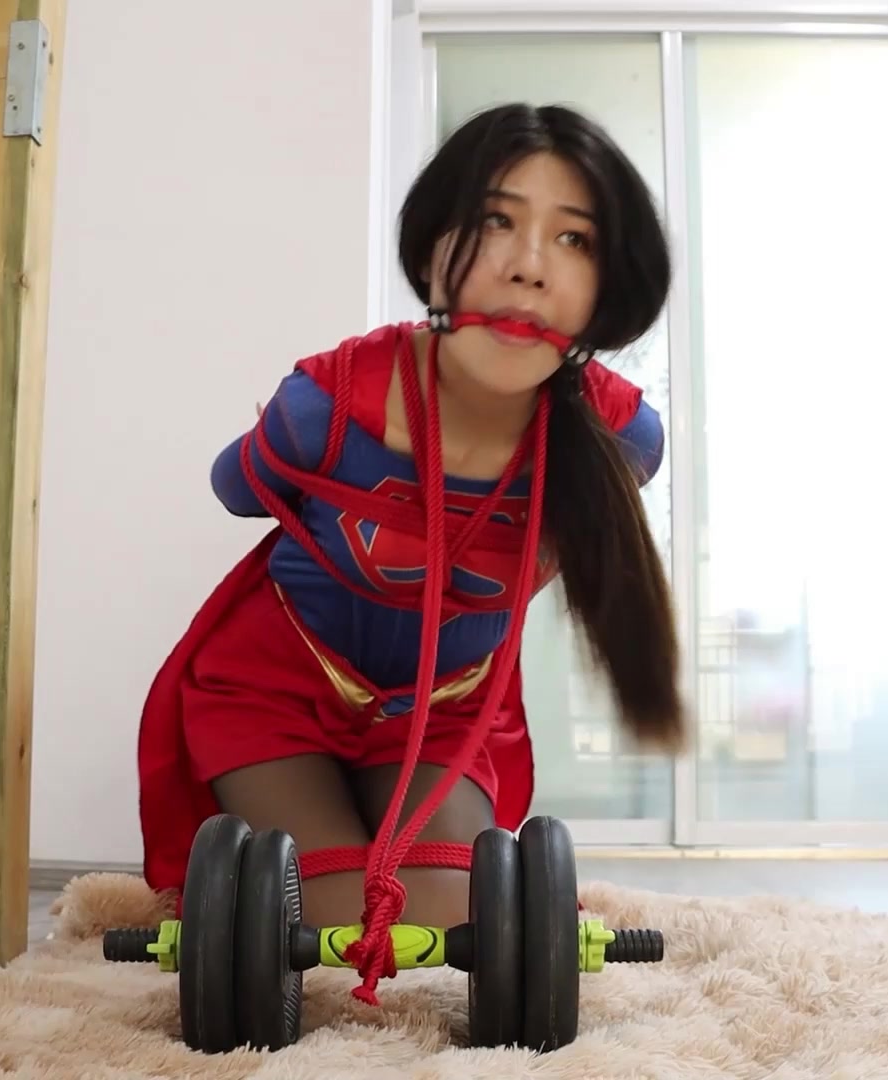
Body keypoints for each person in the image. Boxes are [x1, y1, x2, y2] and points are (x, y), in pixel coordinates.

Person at [133, 101, 685, 1000]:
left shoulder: (623, 440)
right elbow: (237, 487)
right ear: (431, 250)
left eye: (574, 239)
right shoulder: (325, 406)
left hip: (444, 710)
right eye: (495, 221)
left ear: (608, 284)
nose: (528, 266)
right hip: (275, 694)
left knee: (450, 924)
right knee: (327, 920)